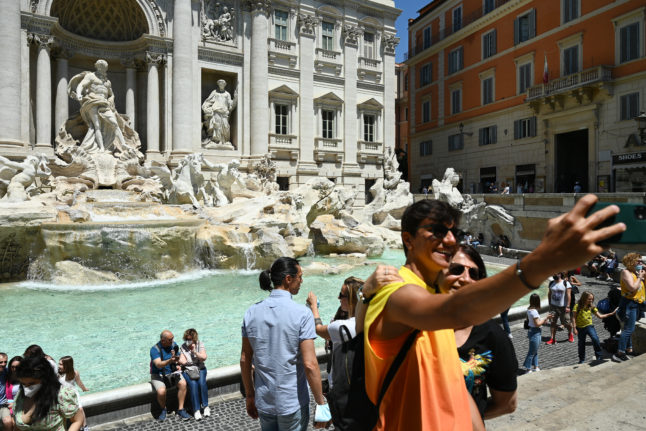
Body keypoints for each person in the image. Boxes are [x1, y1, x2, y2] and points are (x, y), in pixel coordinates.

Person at [356, 194, 624, 430]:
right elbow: (456, 310)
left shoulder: (432, 294)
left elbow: (455, 390)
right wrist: (540, 263)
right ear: (408, 239)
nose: (449, 240)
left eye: (454, 233)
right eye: (437, 231)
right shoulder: (394, 289)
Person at [240, 257, 329, 430]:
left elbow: (245, 358)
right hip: (291, 401)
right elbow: (310, 364)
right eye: (300, 277)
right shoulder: (302, 314)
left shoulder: (251, 312)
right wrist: (321, 403)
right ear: (288, 279)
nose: (301, 281)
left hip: (264, 400)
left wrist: (250, 395)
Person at [437, 245, 518, 420]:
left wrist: (462, 419)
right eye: (456, 269)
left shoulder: (493, 335)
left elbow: (507, 403)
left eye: (474, 274)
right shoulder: (414, 322)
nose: (465, 278)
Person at [306, 277, 363, 391]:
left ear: (352, 300)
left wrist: (313, 307)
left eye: (341, 295)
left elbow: (319, 329)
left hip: (342, 388)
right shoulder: (371, 320)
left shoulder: (343, 327)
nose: (338, 298)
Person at [13, 355, 83, 431]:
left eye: (31, 383)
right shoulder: (20, 395)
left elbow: (77, 420)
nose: (26, 388)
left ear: (45, 379)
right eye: (23, 384)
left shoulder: (61, 395)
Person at [71, 59, 127, 154]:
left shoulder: (107, 82)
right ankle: (101, 148)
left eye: (104, 67)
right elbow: (81, 85)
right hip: (92, 101)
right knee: (97, 126)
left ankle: (124, 144)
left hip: (104, 103)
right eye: (100, 66)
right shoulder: (91, 76)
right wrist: (79, 94)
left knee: (114, 123)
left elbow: (111, 94)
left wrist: (111, 100)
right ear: (96, 67)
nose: (102, 69)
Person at [150, 330, 190, 421]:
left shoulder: (173, 345)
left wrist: (178, 364)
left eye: (172, 338)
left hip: (172, 372)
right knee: (161, 391)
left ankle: (181, 409)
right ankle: (163, 409)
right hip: (158, 375)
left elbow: (178, 357)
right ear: (163, 340)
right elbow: (158, 364)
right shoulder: (154, 349)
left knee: (183, 384)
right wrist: (170, 361)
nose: (172, 341)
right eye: (170, 339)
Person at [614, 252, 645, 362]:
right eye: (638, 261)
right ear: (631, 261)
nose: (640, 263)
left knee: (629, 328)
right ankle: (620, 352)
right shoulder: (626, 272)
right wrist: (640, 277)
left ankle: (629, 349)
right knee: (628, 329)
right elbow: (632, 288)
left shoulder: (636, 272)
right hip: (629, 304)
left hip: (637, 304)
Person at [573, 291, 616, 363]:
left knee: (595, 339)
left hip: (589, 326)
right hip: (580, 328)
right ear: (584, 298)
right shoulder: (577, 306)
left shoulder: (592, 307)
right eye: (589, 299)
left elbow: (600, 316)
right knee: (581, 344)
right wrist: (574, 328)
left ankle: (599, 356)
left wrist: (611, 313)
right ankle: (581, 359)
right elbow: (573, 318)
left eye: (592, 299)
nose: (591, 301)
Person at [178, 328, 210, 420]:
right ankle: (196, 410)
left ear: (194, 339)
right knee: (193, 384)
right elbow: (183, 360)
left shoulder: (200, 344)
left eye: (190, 339)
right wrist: (180, 361)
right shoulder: (183, 347)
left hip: (200, 368)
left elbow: (204, 358)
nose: (188, 341)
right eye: (186, 339)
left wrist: (194, 352)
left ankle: (205, 406)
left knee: (201, 383)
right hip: (189, 370)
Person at [202, 79, 237, 147]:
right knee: (217, 126)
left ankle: (225, 141)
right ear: (218, 84)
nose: (221, 85)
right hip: (216, 111)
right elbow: (208, 101)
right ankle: (216, 141)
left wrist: (235, 99)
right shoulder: (214, 92)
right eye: (220, 84)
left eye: (222, 84)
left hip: (224, 112)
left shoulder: (227, 94)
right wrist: (206, 107)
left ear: (225, 85)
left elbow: (230, 104)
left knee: (226, 126)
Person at [57, 356, 89, 430]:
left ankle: (84, 426)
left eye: (61, 364)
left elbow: (79, 382)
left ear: (67, 365)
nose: (59, 366)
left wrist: (84, 388)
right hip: (63, 395)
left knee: (80, 409)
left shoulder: (74, 373)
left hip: (73, 394)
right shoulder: (58, 373)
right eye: (59, 364)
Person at [523, 293, 552, 372]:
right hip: (535, 332)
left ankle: (536, 367)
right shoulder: (534, 312)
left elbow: (534, 322)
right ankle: (528, 368)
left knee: (534, 350)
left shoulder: (529, 309)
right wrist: (546, 318)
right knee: (532, 352)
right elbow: (537, 324)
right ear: (537, 301)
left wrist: (543, 320)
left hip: (532, 331)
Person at [546, 272, 574, 344]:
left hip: (563, 307)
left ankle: (570, 333)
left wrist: (568, 306)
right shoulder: (551, 283)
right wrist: (549, 304)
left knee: (567, 323)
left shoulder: (566, 283)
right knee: (552, 322)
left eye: (556, 273)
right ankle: (552, 338)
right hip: (553, 307)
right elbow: (549, 293)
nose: (554, 274)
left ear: (560, 274)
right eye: (553, 273)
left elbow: (569, 295)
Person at [0, 353, 11, 431]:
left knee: (8, 422)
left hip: (3, 405)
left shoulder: (6, 371)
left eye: (5, 362)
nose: (3, 364)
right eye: (0, 362)